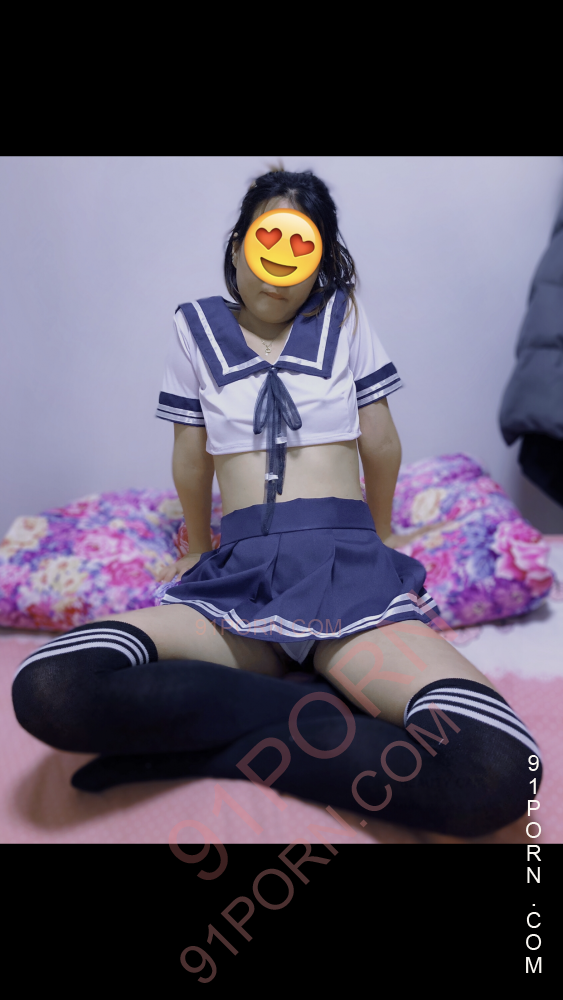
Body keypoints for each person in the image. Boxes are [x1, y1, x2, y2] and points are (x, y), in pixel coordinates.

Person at [12, 169, 542, 837]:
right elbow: (190, 455)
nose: (280, 266)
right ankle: (315, 717)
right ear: (237, 246)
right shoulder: (194, 327)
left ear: (320, 261)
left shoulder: (343, 316)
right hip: (241, 578)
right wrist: (198, 547)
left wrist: (381, 535)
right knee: (51, 683)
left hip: (347, 572)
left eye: (302, 248)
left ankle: (215, 748)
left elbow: (379, 442)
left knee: (499, 765)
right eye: (266, 241)